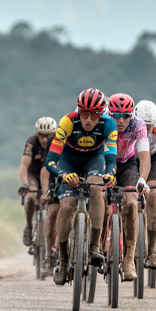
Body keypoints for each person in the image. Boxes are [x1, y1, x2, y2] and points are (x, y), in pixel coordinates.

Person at [46, 88, 118, 285]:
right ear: (78, 110)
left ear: (101, 114)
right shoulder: (67, 122)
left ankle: (94, 245)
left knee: (96, 189)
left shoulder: (109, 124)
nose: (88, 119)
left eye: (94, 115)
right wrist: (63, 174)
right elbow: (50, 161)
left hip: (94, 158)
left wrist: (110, 174)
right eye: (84, 113)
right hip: (68, 161)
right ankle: (62, 259)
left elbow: (111, 159)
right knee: (67, 206)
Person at [106, 93, 150, 282]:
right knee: (99, 198)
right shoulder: (103, 121)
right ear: (110, 113)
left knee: (132, 203)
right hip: (104, 162)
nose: (121, 120)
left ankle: (129, 259)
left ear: (132, 114)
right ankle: (95, 244)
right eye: (116, 115)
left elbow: (145, 156)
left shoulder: (138, 125)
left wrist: (143, 179)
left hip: (127, 164)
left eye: (126, 116)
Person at [134, 99, 156, 278]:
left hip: (152, 159)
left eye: (149, 126)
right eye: (144, 125)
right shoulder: (129, 126)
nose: (146, 130)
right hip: (131, 159)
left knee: (154, 197)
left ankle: (153, 250)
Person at [18, 116, 57, 248]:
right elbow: (24, 166)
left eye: (48, 135)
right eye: (41, 135)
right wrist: (25, 184)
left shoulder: (58, 141)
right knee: (30, 196)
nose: (44, 139)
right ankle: (29, 226)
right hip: (34, 174)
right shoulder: (32, 141)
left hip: (50, 174)